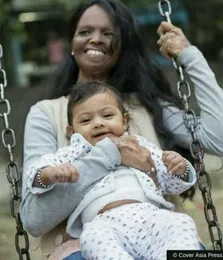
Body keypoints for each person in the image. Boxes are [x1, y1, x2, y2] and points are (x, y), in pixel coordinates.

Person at [20, 0, 223, 260]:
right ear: (72, 43)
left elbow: (218, 138)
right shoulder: (47, 113)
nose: (95, 39)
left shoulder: (148, 106)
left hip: (159, 236)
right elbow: (34, 219)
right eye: (85, 32)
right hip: (88, 246)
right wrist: (110, 155)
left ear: (123, 46)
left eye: (108, 33)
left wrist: (190, 56)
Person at [24, 80, 200, 260]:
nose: (98, 123)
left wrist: (180, 169)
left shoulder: (139, 146)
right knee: (92, 238)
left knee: (181, 223)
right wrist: (48, 174)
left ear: (124, 121)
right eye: (86, 120)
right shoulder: (73, 154)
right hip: (103, 223)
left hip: (149, 217)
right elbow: (35, 171)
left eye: (107, 116)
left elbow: (170, 183)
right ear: (71, 132)